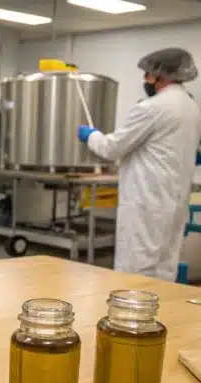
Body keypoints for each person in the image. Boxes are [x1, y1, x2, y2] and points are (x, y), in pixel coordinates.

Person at [78, 48, 201, 281]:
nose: (145, 81)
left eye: (147, 75)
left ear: (160, 76)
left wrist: (92, 135)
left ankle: (131, 317)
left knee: (134, 271)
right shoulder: (191, 107)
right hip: (174, 203)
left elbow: (113, 148)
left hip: (147, 202)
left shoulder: (152, 108)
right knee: (165, 267)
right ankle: (161, 315)